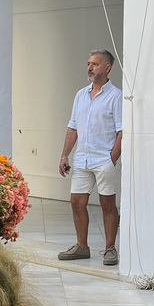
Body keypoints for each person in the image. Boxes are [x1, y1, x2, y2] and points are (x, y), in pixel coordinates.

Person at [57, 49, 123, 265]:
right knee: (76, 202)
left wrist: (112, 158)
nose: (89, 68)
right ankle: (82, 247)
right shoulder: (81, 95)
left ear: (107, 68)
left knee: (107, 204)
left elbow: (122, 131)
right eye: (88, 64)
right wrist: (65, 155)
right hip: (82, 158)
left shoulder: (116, 96)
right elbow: (72, 127)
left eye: (95, 64)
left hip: (104, 159)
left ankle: (110, 248)